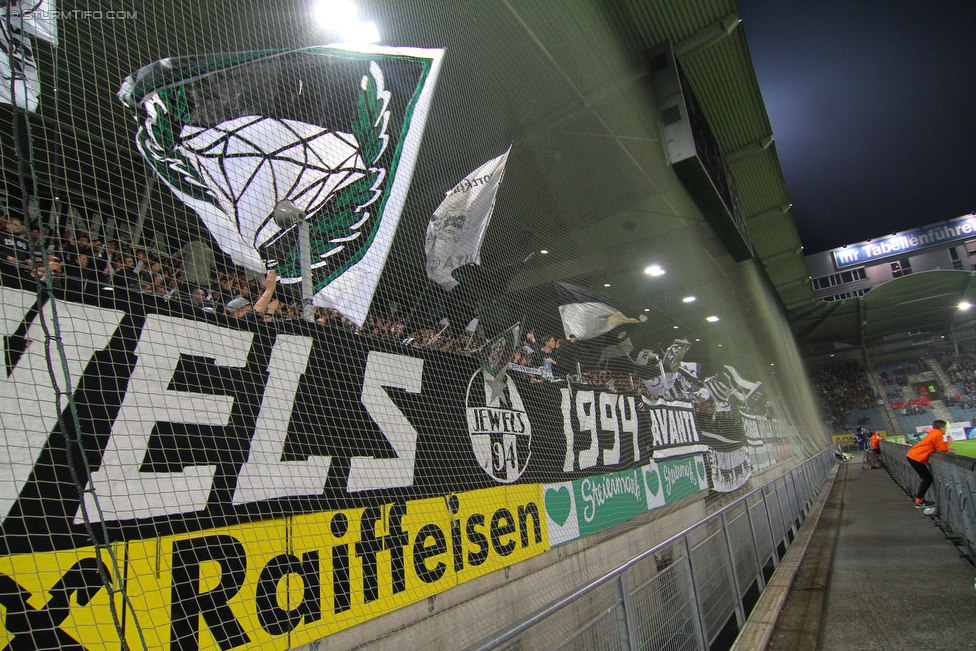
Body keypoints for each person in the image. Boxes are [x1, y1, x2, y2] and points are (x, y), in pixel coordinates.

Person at [906, 419, 955, 507]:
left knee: (926, 478)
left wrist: (947, 449)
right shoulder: (938, 434)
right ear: (943, 429)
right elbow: (940, 449)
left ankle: (918, 498)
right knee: (927, 479)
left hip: (914, 456)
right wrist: (948, 443)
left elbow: (936, 446)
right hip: (916, 457)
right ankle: (918, 500)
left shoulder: (933, 433)